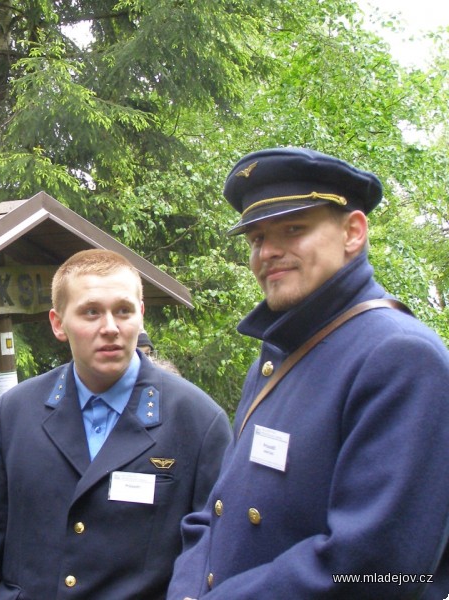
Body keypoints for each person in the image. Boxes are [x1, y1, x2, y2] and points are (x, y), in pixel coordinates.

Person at [166, 147, 449, 599]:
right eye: (257, 239)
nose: (269, 253)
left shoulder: (400, 356)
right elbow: (215, 513)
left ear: (353, 232)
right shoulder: (277, 356)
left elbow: (378, 568)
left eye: (293, 229)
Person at [0, 248, 232, 599]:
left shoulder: (197, 420)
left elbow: (213, 553)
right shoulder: (17, 411)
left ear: (141, 316)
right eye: (91, 312)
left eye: (123, 311)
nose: (111, 328)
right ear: (58, 323)